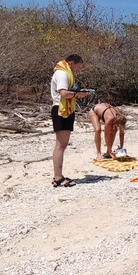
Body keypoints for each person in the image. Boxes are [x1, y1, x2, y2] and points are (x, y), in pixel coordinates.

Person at [50, 54, 89, 187]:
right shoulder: (62, 74)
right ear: (71, 63)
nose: (77, 70)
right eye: (77, 67)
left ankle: (58, 175)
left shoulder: (64, 72)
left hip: (65, 110)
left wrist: (77, 92)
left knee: (62, 145)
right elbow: (64, 93)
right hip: (61, 110)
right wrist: (77, 94)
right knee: (61, 145)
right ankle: (58, 177)